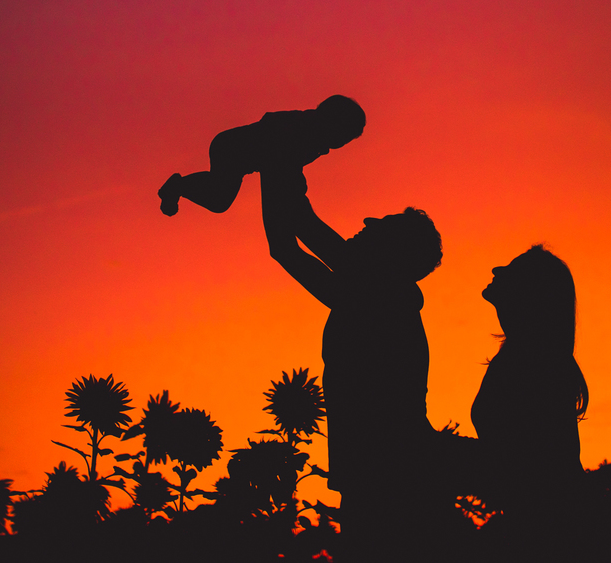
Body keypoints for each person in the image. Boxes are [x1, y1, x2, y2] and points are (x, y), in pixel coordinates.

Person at [261, 168, 443, 561]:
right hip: (382, 473)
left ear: (390, 254)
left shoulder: (377, 299)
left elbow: (292, 239)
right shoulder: (378, 290)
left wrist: (278, 165)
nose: (367, 221)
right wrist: (280, 169)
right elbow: (296, 233)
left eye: (381, 227)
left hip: (384, 476)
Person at [467, 244, 589, 551]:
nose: (497, 271)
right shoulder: (524, 356)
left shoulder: (529, 362)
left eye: (511, 269)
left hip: (547, 530)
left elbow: (522, 460)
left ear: (529, 294)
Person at [158, 95, 365, 216]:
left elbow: (290, 165)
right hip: (232, 147)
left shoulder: (314, 139)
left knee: (218, 197)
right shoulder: (303, 126)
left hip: (237, 152)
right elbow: (284, 151)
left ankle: (179, 185)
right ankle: (179, 185)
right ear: (331, 123)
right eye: (343, 135)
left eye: (346, 140)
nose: (341, 143)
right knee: (219, 198)